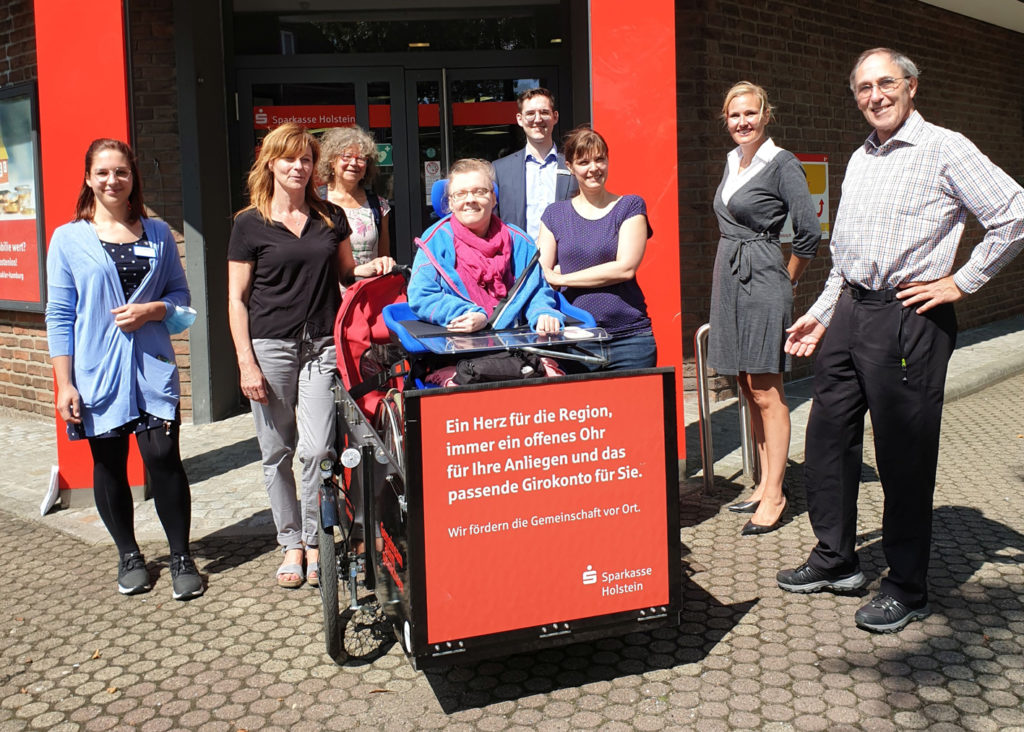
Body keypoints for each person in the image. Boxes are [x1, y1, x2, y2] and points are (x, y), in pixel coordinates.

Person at [778, 48, 1024, 633]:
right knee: (827, 436)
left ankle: (908, 585)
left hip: (910, 317)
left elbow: (1014, 211)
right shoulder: (861, 156)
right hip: (851, 312)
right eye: (863, 87)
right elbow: (846, 255)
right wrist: (820, 312)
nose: (874, 96)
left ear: (912, 86)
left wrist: (961, 282)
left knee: (903, 456)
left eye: (885, 83)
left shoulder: (946, 147)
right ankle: (837, 558)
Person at [227, 123, 394, 589]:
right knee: (276, 449)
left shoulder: (329, 217)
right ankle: (291, 543)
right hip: (270, 346)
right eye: (289, 159)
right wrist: (245, 361)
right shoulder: (249, 223)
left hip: (320, 345)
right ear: (271, 164)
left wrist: (374, 266)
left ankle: (317, 539)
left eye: (305, 159)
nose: (298, 167)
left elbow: (346, 272)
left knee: (318, 449)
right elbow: (236, 298)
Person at [45, 138, 203, 601]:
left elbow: (181, 299)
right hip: (96, 371)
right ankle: (129, 554)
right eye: (103, 173)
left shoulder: (156, 234)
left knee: (162, 458)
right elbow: (59, 313)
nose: (113, 181)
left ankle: (180, 556)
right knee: (109, 463)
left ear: (133, 178)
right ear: (88, 178)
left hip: (151, 369)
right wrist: (64, 383)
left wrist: (154, 310)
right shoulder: (68, 238)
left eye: (122, 172)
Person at [709, 82, 821, 536]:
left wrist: (785, 281)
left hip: (762, 276)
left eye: (750, 113)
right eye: (734, 115)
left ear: (766, 114)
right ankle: (761, 482)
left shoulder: (782, 163)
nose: (742, 122)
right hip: (728, 276)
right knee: (744, 382)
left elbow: (809, 234)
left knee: (767, 390)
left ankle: (776, 492)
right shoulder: (732, 161)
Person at [537, 126, 656, 370]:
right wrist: (552, 277)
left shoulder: (630, 206)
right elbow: (542, 276)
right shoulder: (554, 214)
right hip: (574, 342)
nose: (594, 168)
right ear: (569, 166)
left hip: (629, 341)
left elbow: (624, 269)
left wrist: (562, 276)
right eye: (584, 161)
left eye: (600, 159)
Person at [408, 158, 563, 345]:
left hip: (519, 345)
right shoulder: (435, 242)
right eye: (460, 194)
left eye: (479, 192)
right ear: (450, 202)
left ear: (494, 198)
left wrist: (543, 313)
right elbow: (422, 296)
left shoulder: (520, 241)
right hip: (458, 349)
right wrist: (466, 312)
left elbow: (537, 290)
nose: (470, 200)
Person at [493, 87, 578, 239]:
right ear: (520, 119)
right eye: (530, 113)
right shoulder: (499, 170)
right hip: (517, 260)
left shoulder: (574, 167)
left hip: (563, 261)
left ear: (555, 117)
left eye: (544, 112)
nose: (537, 119)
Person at [318, 125, 391, 268]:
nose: (354, 163)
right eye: (346, 156)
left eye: (361, 158)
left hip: (367, 288)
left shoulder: (379, 205)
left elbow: (384, 257)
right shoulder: (315, 200)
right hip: (328, 289)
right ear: (332, 162)